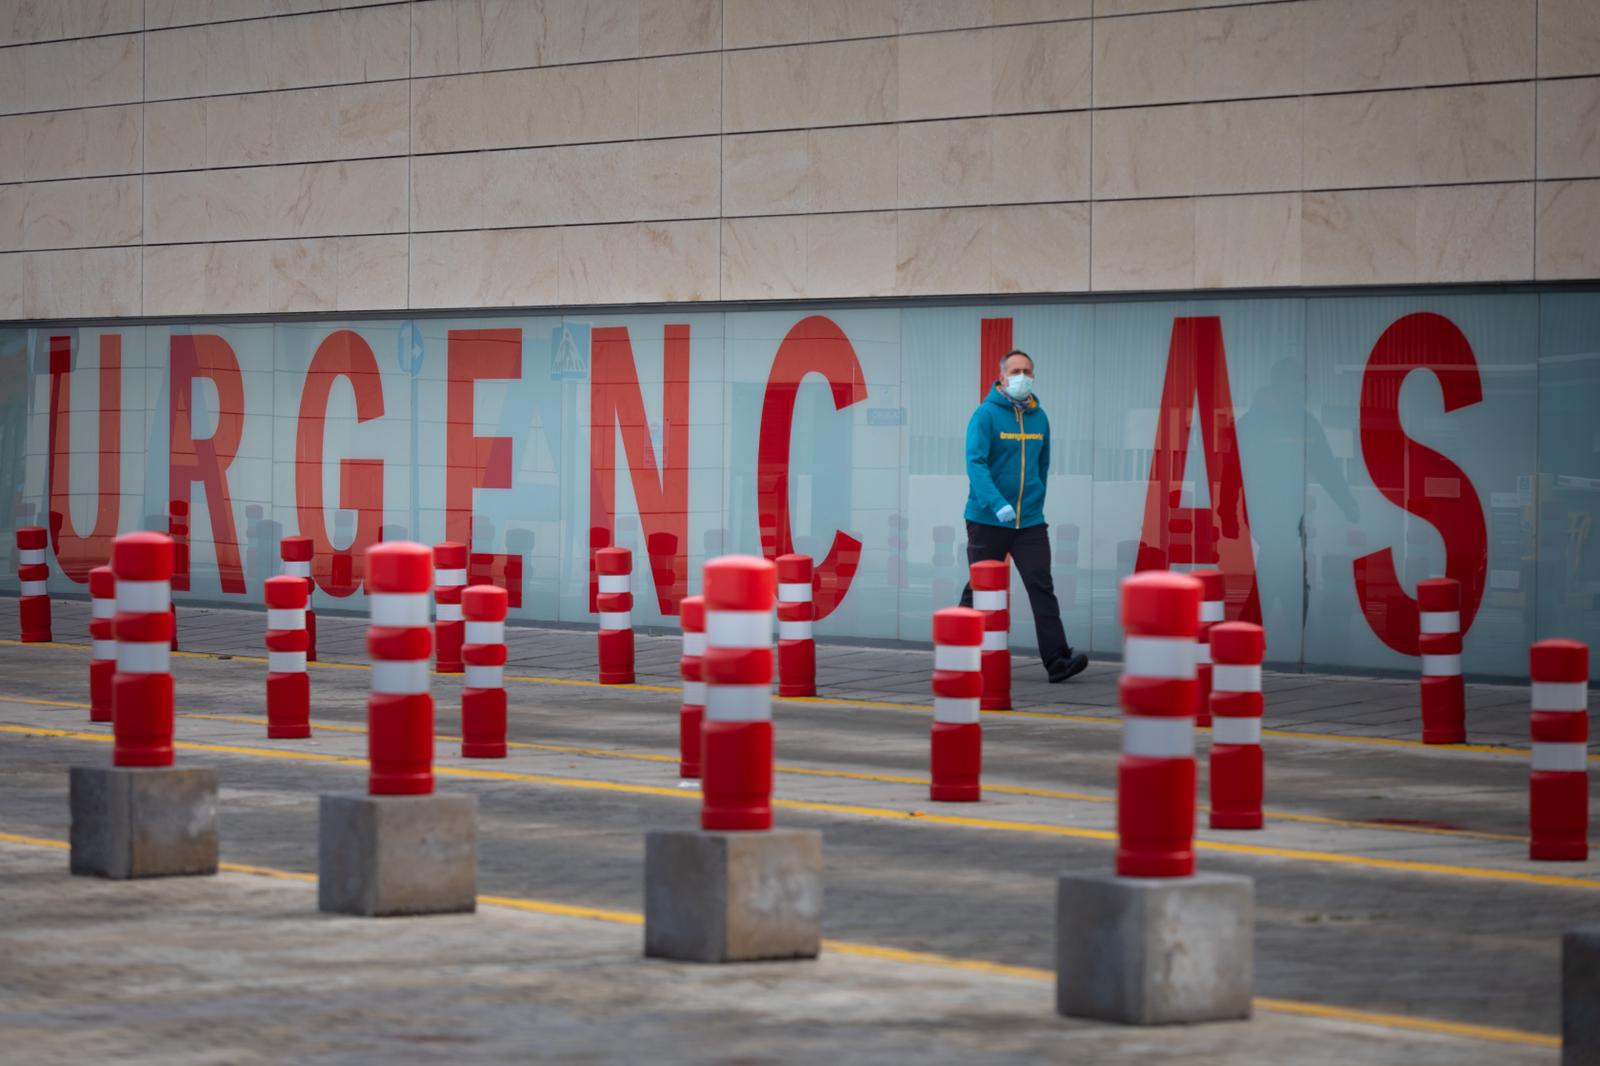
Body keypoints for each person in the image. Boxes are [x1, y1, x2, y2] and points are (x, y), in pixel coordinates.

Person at [959, 349, 1088, 683]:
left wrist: (1033, 502)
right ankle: (957, 649)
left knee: (1040, 584)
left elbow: (1042, 467)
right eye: (1016, 370)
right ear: (1002, 376)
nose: (1022, 376)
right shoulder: (985, 415)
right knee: (980, 587)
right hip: (988, 518)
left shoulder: (1039, 417)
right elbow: (976, 462)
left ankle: (1057, 659)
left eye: (1027, 371)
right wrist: (996, 503)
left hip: (1028, 521)